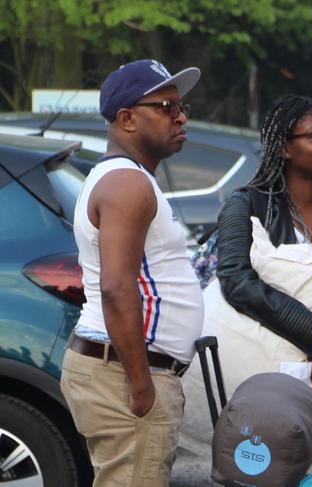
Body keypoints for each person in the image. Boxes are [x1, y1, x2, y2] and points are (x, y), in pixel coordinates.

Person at [181, 94, 312, 483]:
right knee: (263, 470)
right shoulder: (246, 204)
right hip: (255, 373)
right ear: (285, 147)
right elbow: (237, 280)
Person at [60, 59, 204, 487]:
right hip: (126, 373)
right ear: (126, 119)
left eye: (182, 107)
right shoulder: (127, 184)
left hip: (120, 367)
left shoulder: (127, 178)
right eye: (165, 106)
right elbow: (117, 289)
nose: (180, 117)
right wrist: (142, 386)